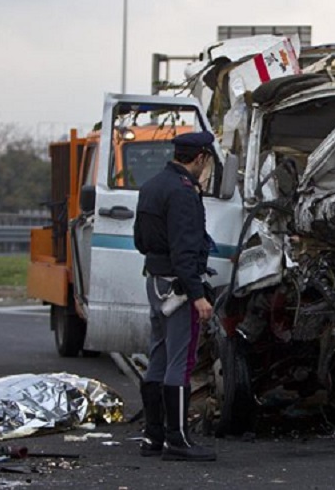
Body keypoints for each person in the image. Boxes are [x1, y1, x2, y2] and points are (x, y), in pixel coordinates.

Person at [133, 131, 217, 460]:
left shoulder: (152, 186)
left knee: (158, 356)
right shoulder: (183, 193)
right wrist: (197, 294)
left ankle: (152, 437)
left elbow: (141, 239)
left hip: (155, 281)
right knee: (180, 362)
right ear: (200, 158)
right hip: (178, 288)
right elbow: (185, 251)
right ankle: (177, 439)